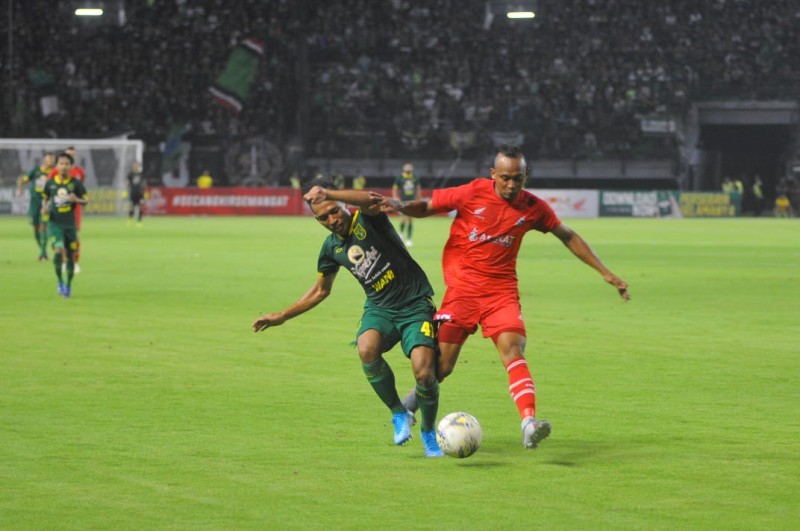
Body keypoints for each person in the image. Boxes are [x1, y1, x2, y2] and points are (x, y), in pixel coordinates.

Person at [383, 144, 630, 450]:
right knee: (440, 369)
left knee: (513, 349)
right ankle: (407, 410)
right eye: (505, 178)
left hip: (501, 294)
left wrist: (605, 272)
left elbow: (567, 235)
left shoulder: (533, 207)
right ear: (493, 174)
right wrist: (399, 205)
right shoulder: (472, 192)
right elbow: (427, 206)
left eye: (518, 178)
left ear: (526, 175)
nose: (512, 185)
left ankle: (529, 423)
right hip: (461, 292)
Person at [251, 177, 444, 457]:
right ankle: (398, 413)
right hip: (380, 309)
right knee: (366, 348)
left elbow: (370, 199)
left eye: (333, 211)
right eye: (322, 218)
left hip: (415, 304)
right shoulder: (331, 249)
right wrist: (282, 316)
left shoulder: (368, 220)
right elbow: (320, 291)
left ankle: (428, 431)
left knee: (424, 373)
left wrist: (327, 192)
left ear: (343, 204)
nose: (331, 220)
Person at [41, 152, 89, 298]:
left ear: (70, 166)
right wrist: (44, 207)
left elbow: (86, 201)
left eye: (66, 164)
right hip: (55, 224)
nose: (63, 166)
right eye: (61, 164)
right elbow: (45, 198)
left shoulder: (76, 183)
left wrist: (77, 200)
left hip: (70, 225)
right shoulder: (50, 183)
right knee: (58, 251)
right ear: (57, 166)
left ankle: (68, 284)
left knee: (71, 256)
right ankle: (60, 281)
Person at [49, 146, 87, 272]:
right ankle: (64, 260)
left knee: (74, 236)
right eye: (69, 153)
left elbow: (80, 190)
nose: (71, 156)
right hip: (59, 209)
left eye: (73, 154)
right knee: (61, 237)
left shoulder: (80, 172)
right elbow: (49, 188)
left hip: (74, 210)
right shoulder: (55, 171)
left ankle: (74, 261)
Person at [16, 151, 55, 261]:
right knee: (36, 229)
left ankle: (42, 253)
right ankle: (43, 251)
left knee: (44, 226)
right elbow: (22, 181)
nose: (51, 161)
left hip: (46, 203)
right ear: (44, 160)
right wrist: (19, 191)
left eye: (52, 159)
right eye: (49, 159)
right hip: (34, 203)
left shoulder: (54, 172)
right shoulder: (35, 171)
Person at [392, 163, 421, 246]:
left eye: (409, 171)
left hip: (412, 201)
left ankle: (409, 239)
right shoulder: (400, 178)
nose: (408, 172)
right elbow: (395, 188)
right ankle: (401, 234)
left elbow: (418, 190)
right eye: (407, 171)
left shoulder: (415, 178)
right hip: (403, 201)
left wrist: (419, 199)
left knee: (410, 220)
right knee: (403, 219)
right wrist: (395, 197)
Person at [126, 160, 146, 226]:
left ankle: (139, 221)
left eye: (137, 165)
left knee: (140, 207)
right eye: (134, 165)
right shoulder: (130, 174)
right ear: (132, 166)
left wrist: (144, 192)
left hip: (140, 193)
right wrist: (126, 191)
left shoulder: (141, 174)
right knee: (132, 207)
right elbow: (127, 183)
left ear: (138, 166)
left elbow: (144, 184)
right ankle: (130, 220)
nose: (135, 166)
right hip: (133, 193)